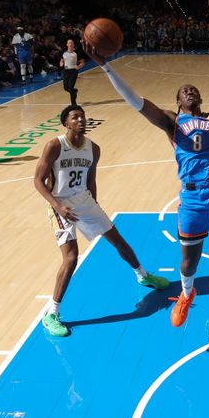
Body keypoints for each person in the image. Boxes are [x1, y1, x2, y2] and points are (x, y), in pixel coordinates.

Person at [83, 45, 209, 329]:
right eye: (185, 91)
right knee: (188, 264)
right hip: (193, 197)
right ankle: (186, 293)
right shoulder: (172, 121)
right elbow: (135, 100)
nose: (190, 91)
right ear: (178, 100)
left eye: (194, 89)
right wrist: (105, 65)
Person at [33, 105, 169, 337]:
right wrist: (58, 206)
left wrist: (94, 204)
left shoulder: (93, 149)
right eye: (75, 117)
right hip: (60, 203)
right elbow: (37, 180)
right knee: (71, 257)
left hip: (85, 202)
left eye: (83, 116)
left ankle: (143, 276)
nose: (81, 119)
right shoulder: (55, 146)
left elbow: (91, 179)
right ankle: (52, 314)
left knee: (118, 240)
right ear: (66, 123)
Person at [60, 39, 84, 106]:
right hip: (66, 71)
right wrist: (61, 63)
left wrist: (78, 67)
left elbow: (82, 62)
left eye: (71, 43)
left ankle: (74, 104)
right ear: (67, 44)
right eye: (69, 43)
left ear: (73, 45)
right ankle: (74, 91)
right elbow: (61, 60)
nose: (70, 44)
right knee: (65, 88)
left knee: (70, 87)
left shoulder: (76, 53)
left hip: (73, 71)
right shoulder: (64, 53)